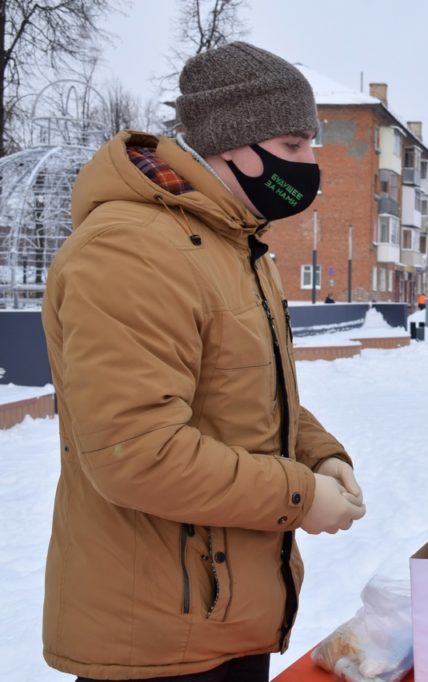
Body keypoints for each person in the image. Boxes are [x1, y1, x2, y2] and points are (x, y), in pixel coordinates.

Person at [41, 42, 367, 682]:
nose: (310, 165)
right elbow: (137, 452)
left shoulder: (229, 245)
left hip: (220, 613)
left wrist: (319, 453)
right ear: (231, 144)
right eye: (294, 146)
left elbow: (248, 395)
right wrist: (300, 498)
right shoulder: (130, 250)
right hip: (155, 637)